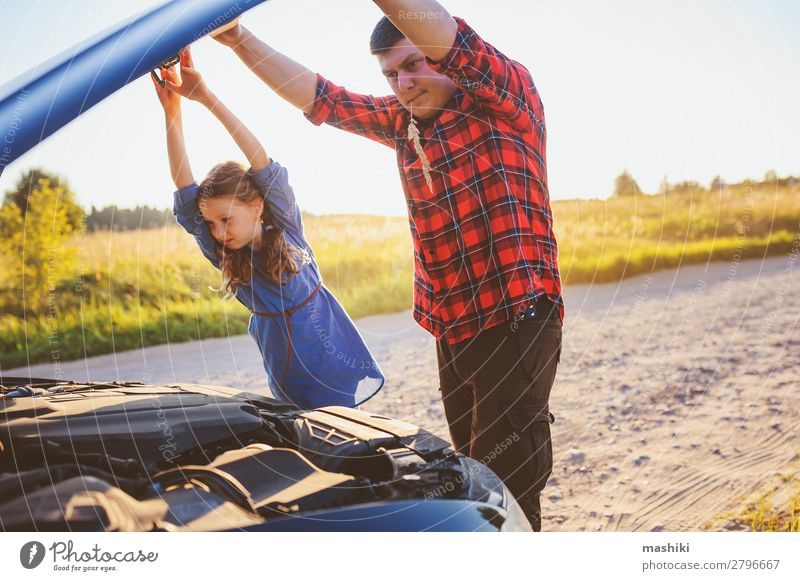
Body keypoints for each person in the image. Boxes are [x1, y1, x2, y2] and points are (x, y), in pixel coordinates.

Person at [213, 0, 563, 531]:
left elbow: (448, 35)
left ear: (444, 56)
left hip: (517, 314)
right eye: (391, 73)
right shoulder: (402, 124)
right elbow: (321, 97)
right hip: (454, 328)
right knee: (472, 480)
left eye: (415, 63)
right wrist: (239, 39)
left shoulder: (506, 101)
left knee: (510, 481)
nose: (403, 82)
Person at [152, 47, 385, 410]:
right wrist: (172, 113)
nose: (218, 232)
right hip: (287, 377)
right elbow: (185, 191)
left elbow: (259, 158)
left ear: (257, 206)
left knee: (345, 436)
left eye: (226, 219)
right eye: (211, 223)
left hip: (334, 361)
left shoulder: (286, 226)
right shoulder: (225, 255)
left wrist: (207, 97)